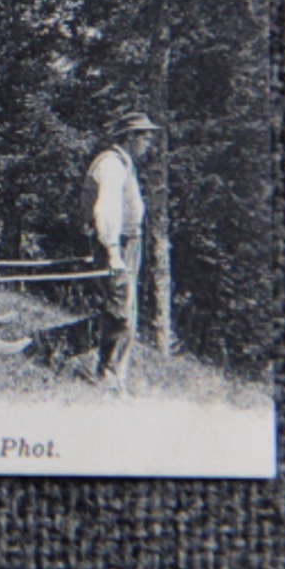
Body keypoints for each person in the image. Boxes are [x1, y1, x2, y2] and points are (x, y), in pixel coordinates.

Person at [80, 110, 161, 388]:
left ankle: (116, 373)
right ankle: (108, 375)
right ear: (129, 137)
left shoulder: (125, 164)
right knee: (120, 312)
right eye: (144, 136)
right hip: (116, 244)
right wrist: (113, 251)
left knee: (127, 308)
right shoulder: (112, 164)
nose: (148, 142)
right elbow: (106, 210)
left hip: (129, 243)